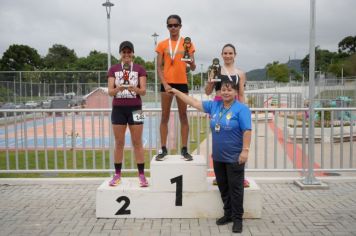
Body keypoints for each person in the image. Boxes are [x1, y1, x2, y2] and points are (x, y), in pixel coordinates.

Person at [169, 80, 252, 233]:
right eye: (223, 90)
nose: (226, 92)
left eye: (230, 90)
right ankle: (228, 214)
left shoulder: (242, 109)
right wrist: (177, 92)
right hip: (219, 157)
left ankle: (237, 219)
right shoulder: (214, 106)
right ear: (218, 93)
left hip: (235, 157)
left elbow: (247, 130)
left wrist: (245, 150)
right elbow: (193, 102)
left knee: (236, 189)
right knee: (223, 187)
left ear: (235, 92)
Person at [205, 43, 250, 188]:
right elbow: (207, 91)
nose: (228, 56)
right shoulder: (215, 70)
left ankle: (240, 177)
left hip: (235, 107)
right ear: (221, 55)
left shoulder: (240, 73)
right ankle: (219, 176)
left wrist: (244, 112)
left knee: (237, 143)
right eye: (225, 53)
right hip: (219, 106)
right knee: (219, 141)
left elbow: (241, 95)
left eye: (230, 53)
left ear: (235, 55)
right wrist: (211, 80)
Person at [155, 14, 196, 161]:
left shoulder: (187, 43)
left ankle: (184, 149)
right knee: (164, 116)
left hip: (182, 83)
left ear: (180, 26)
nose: (173, 28)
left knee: (183, 116)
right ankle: (164, 149)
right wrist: (165, 83)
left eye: (175, 25)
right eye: (170, 25)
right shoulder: (162, 44)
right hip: (166, 83)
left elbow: (193, 67)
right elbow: (159, 67)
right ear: (167, 27)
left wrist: (191, 62)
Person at [107, 41, 148, 187]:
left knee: (138, 142)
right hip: (118, 110)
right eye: (123, 52)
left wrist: (134, 89)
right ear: (120, 54)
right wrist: (118, 88)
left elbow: (143, 91)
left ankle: (142, 176)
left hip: (136, 109)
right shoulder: (113, 69)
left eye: (129, 52)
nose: (126, 55)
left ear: (132, 53)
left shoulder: (139, 69)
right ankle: (117, 175)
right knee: (119, 143)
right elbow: (110, 92)